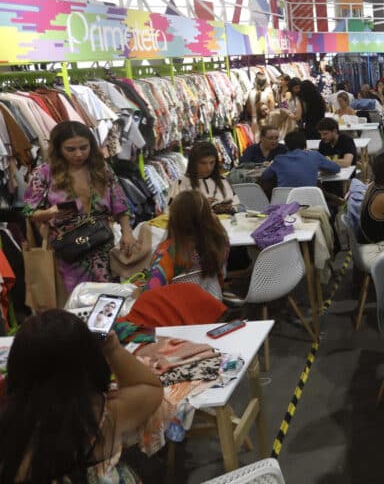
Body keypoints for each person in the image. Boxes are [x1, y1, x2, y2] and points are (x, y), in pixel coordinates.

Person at [0, 309, 163, 482]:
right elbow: (148, 387)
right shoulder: (103, 417)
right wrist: (112, 348)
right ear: (89, 361)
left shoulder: (10, 424)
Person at [24, 121, 137, 294]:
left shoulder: (101, 168)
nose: (78, 154)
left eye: (84, 147)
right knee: (76, 297)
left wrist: (127, 232)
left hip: (102, 242)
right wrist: (49, 213)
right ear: (58, 148)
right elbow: (29, 211)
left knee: (108, 295)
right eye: (70, 149)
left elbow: (119, 202)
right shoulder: (44, 173)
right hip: (67, 249)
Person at [147, 190, 230, 299]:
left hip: (176, 311)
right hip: (212, 303)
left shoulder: (169, 253)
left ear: (174, 218)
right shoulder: (219, 243)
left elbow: (150, 294)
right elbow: (222, 275)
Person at [260, 131, 341, 188]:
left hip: (285, 203)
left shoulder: (279, 160)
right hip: (310, 201)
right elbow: (336, 168)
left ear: (287, 146)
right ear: (305, 144)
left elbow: (265, 176)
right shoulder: (314, 155)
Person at [178, 141, 240, 212]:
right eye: (203, 163)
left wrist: (230, 208)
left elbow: (239, 206)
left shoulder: (223, 181)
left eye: (212, 162)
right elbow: (173, 214)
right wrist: (199, 206)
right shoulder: (181, 183)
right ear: (194, 163)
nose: (208, 168)